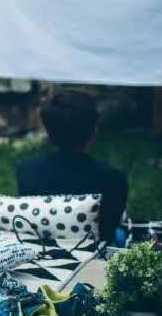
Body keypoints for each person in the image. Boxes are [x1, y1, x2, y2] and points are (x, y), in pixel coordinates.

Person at [16, 89, 128, 242]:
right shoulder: (114, 178)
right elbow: (108, 231)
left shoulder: (26, 170)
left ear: (49, 132)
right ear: (93, 132)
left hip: (43, 247)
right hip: (94, 255)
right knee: (121, 234)